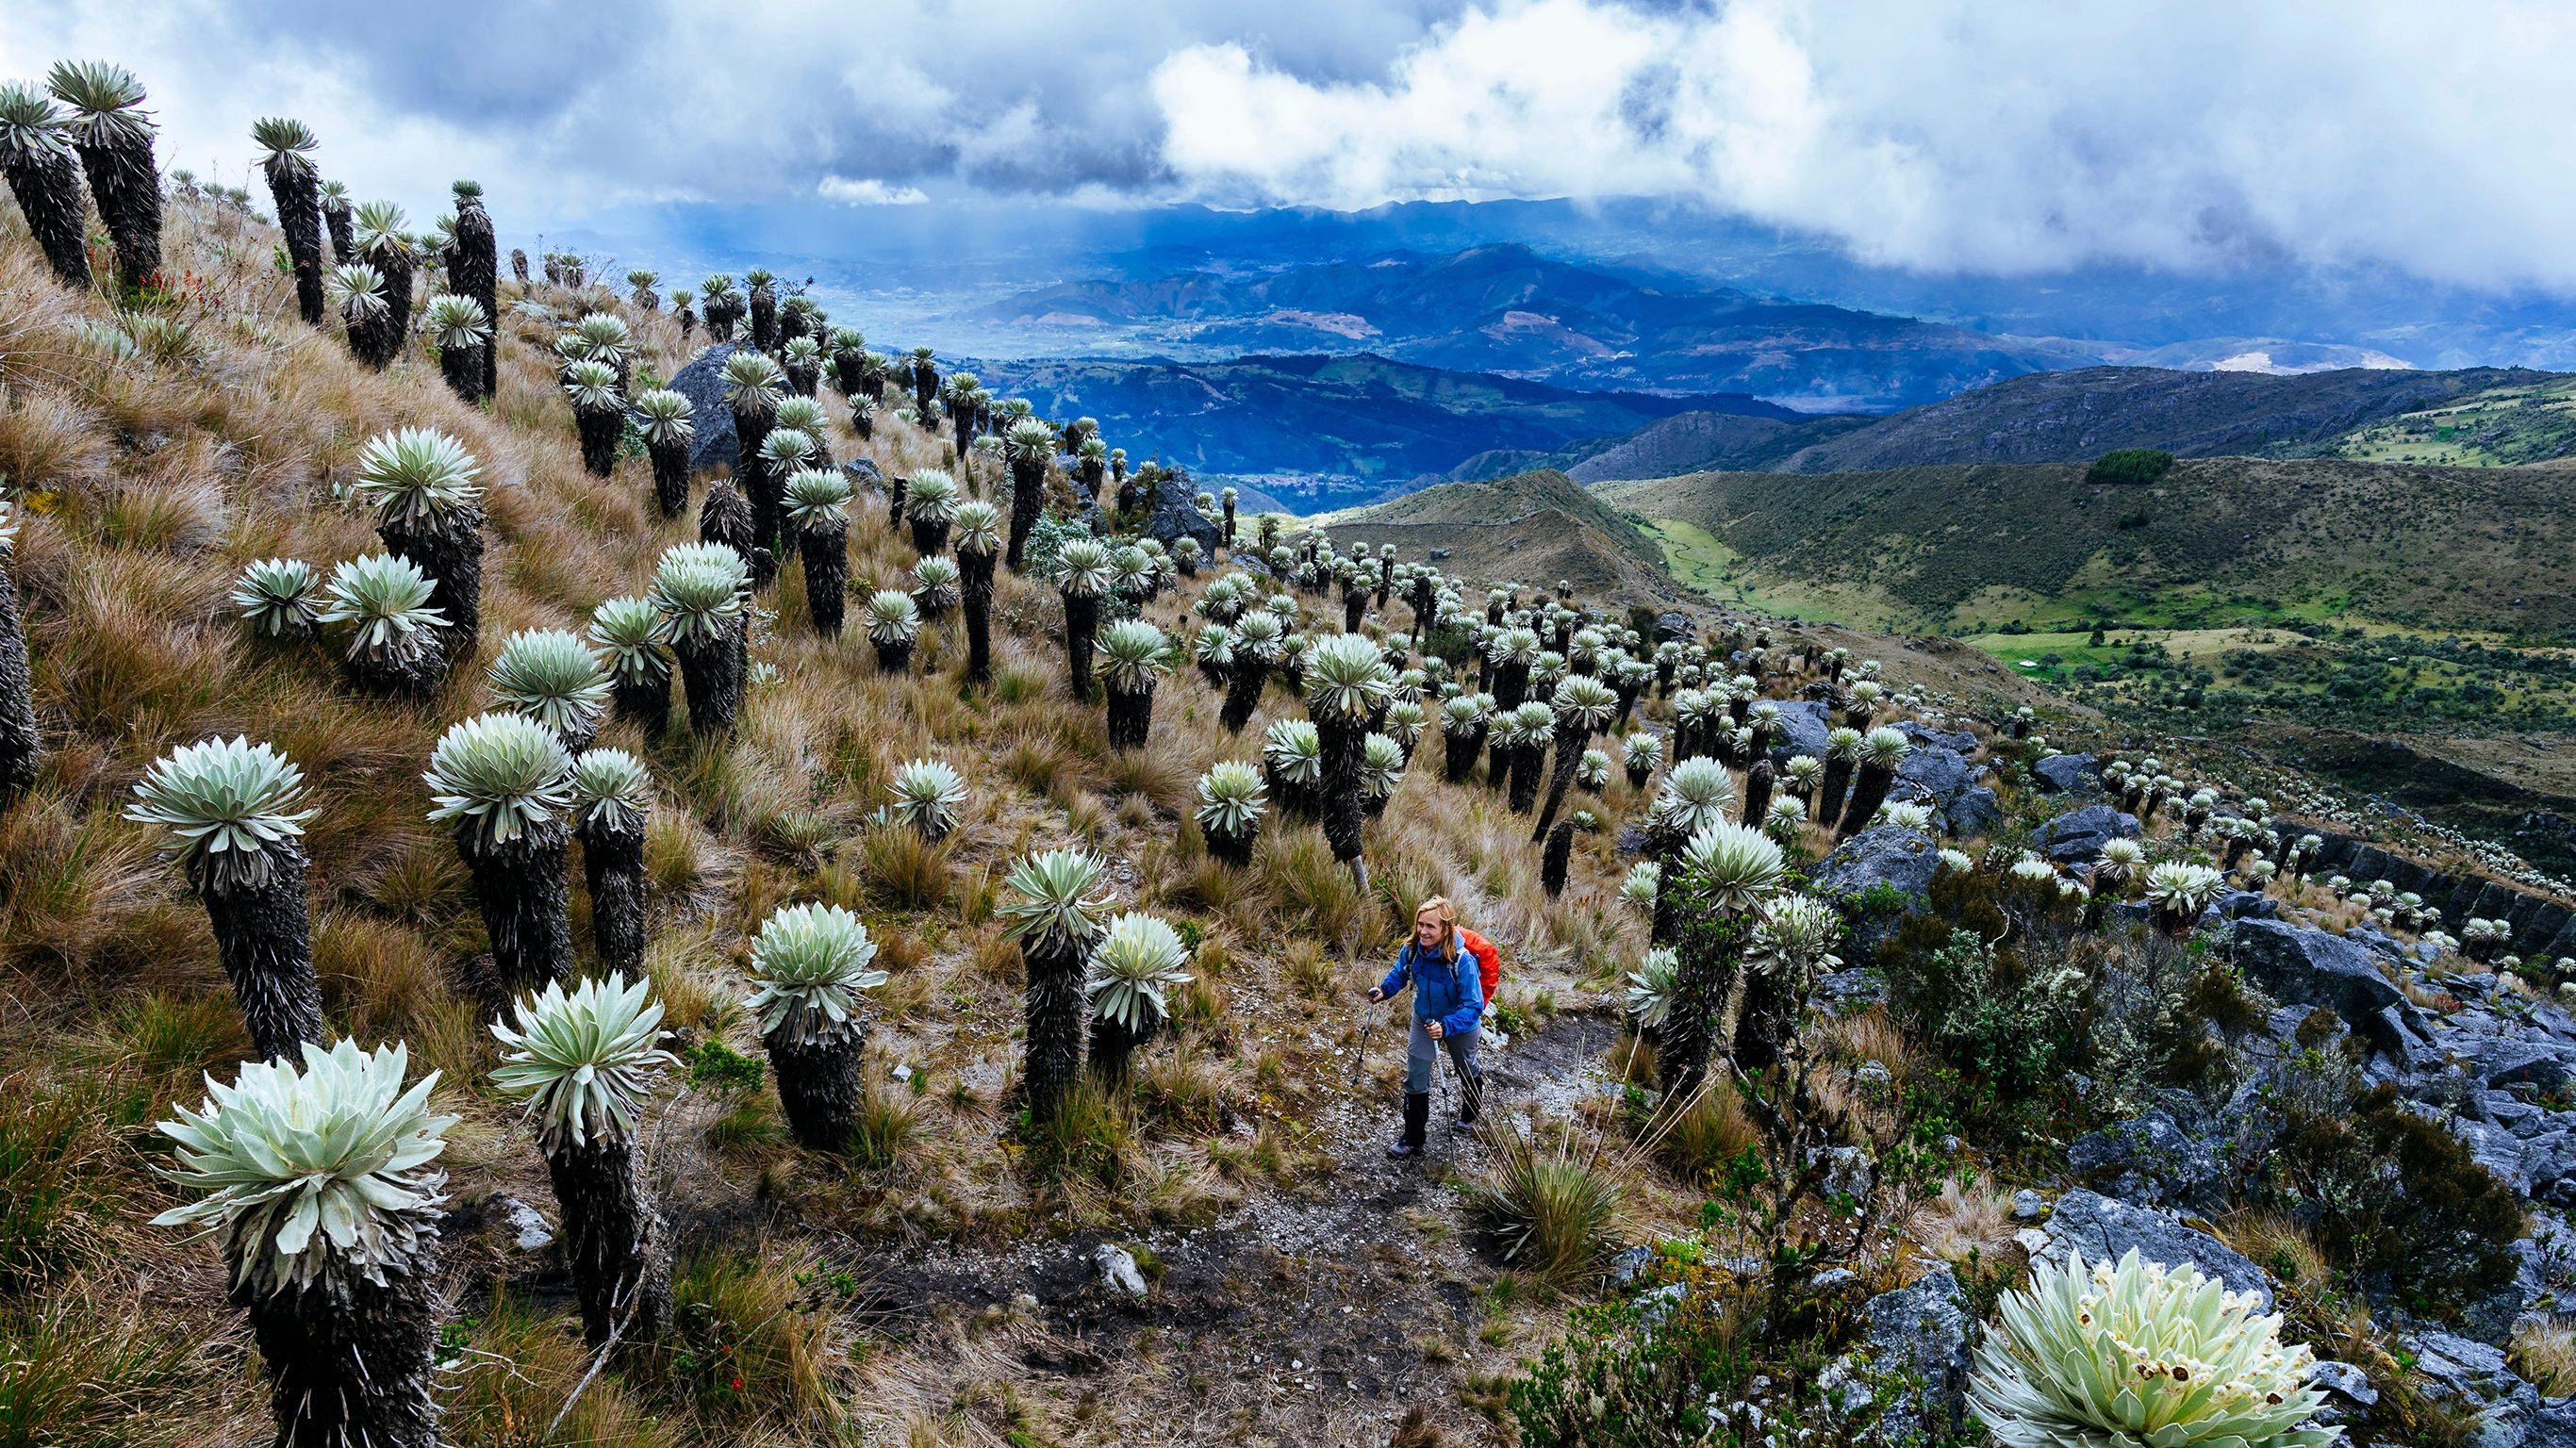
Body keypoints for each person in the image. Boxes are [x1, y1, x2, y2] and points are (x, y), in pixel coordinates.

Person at [1369, 896, 1484, 1157]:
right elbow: (1401, 973)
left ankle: (1470, 1113)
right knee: (1417, 1072)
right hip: (1424, 1018)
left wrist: (1446, 1027)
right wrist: (1384, 990)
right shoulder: (1411, 950)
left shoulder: (1462, 961)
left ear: (1446, 929)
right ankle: (1413, 1138)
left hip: (1459, 1022)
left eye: (1430, 926)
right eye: (1420, 924)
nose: (1423, 930)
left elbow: (1473, 1005)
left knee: (1466, 1068)